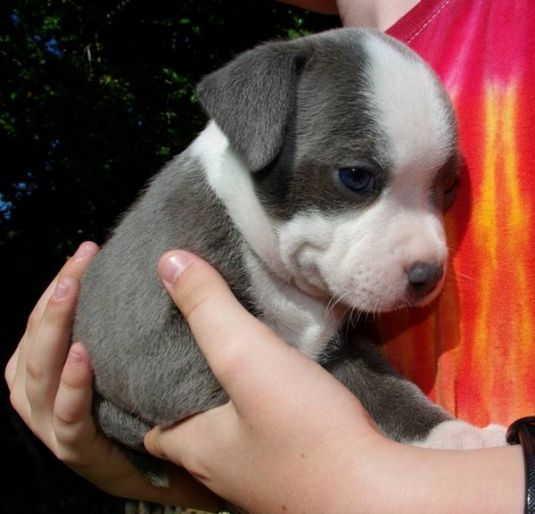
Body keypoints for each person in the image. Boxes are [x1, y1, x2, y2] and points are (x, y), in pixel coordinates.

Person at [6, 0, 535, 511]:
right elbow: (169, 393)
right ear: (251, 130)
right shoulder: (199, 223)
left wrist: (405, 462)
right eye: (356, 178)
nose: (428, 252)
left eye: (442, 194)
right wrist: (142, 465)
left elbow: (334, 378)